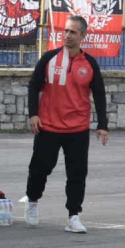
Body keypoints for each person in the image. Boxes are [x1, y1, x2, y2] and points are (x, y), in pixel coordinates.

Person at [24, 15, 109, 235]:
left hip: (78, 129)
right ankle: (32, 201)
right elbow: (33, 86)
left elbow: (99, 94)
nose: (67, 35)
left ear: (82, 36)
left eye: (73, 32)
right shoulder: (49, 58)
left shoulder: (90, 64)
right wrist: (33, 114)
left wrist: (103, 124)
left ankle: (73, 216)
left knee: (77, 174)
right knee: (40, 168)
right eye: (66, 31)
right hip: (48, 126)